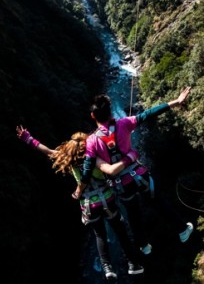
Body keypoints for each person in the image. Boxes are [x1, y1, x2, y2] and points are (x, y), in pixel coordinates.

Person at [73, 86, 194, 255]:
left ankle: (143, 246)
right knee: (158, 203)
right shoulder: (124, 123)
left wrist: (80, 190)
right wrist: (176, 102)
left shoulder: (91, 141)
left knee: (133, 214)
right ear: (110, 112)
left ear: (93, 116)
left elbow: (86, 170)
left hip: (121, 185)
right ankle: (182, 230)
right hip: (138, 175)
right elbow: (148, 114)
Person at [16, 125, 144, 280]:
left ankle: (107, 268)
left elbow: (48, 151)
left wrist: (28, 139)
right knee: (120, 230)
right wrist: (128, 155)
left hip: (89, 205)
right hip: (107, 199)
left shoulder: (68, 158)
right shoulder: (95, 157)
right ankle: (133, 264)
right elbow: (111, 167)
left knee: (100, 235)